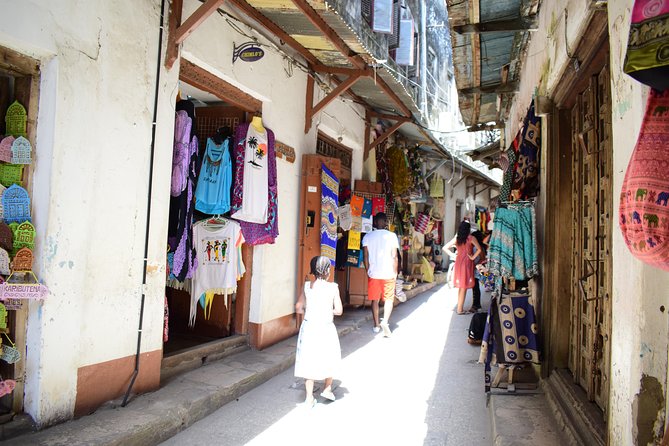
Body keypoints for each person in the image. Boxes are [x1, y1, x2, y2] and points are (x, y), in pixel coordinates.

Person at [294, 256, 343, 407]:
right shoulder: (333, 287)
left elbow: (298, 307)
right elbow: (339, 310)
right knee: (329, 356)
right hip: (326, 326)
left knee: (309, 359)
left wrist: (309, 311)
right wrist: (328, 310)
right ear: (328, 271)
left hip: (309, 327)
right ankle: (327, 389)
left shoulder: (307, 286)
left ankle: (309, 398)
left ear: (313, 269)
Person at [362, 212, 400, 337]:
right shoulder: (392, 236)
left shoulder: (368, 236)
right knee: (389, 299)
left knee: (375, 300)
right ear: (385, 223)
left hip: (374, 273)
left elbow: (365, 256)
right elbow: (394, 256)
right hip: (388, 272)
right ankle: (385, 322)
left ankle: (376, 325)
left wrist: (368, 270)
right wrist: (395, 272)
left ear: (375, 222)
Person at [445, 220, 484, 314]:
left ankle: (459, 307)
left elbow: (445, 247)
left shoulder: (457, 238)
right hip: (467, 263)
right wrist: (473, 257)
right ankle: (459, 309)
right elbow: (479, 249)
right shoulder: (471, 238)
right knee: (464, 286)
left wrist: (454, 255)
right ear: (468, 229)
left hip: (459, 262)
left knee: (461, 286)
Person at [470, 230, 488, 312]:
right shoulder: (482, 246)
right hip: (481, 269)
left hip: (477, 269)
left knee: (475, 288)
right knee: (476, 288)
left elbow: (481, 258)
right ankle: (477, 305)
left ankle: (476, 305)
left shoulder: (476, 247)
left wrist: (474, 263)